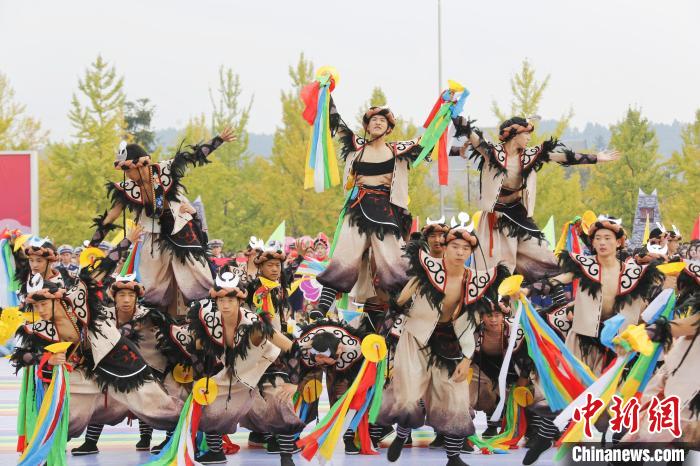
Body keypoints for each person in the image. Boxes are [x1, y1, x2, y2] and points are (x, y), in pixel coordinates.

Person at [378, 225, 508, 466]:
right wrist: (387, 325)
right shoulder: (428, 270)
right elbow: (402, 300)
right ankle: (402, 435)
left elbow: (474, 321)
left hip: (451, 341)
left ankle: (453, 457)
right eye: (455, 246)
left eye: (465, 248)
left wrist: (467, 358)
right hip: (416, 336)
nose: (460, 252)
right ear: (446, 248)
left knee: (456, 398)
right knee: (410, 393)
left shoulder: (474, 280)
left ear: (470, 252)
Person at [450, 115, 620, 282]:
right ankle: (499, 304)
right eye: (526, 134)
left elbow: (562, 156)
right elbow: (473, 136)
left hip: (519, 216)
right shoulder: (493, 153)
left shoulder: (529, 155)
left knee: (544, 257)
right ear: (515, 135)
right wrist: (456, 115)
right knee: (501, 267)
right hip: (496, 218)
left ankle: (556, 298)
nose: (529, 138)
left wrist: (596, 158)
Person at [88, 127, 237, 315]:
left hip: (180, 230)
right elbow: (110, 217)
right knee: (151, 284)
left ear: (140, 165)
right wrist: (92, 247)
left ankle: (211, 308)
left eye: (128, 168)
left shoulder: (164, 170)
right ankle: (153, 318)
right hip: (153, 236)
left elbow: (194, 156)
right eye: (123, 169)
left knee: (198, 274)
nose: (127, 174)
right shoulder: (128, 188)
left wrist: (219, 140)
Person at [314, 98, 428, 317]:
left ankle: (406, 308)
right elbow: (336, 122)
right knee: (343, 255)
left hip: (385, 211)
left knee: (393, 260)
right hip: (357, 209)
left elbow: (430, 138)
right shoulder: (356, 146)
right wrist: (326, 94)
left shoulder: (399, 150)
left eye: (382, 120)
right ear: (366, 126)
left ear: (389, 128)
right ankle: (321, 308)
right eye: (373, 120)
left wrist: (447, 110)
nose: (377, 123)